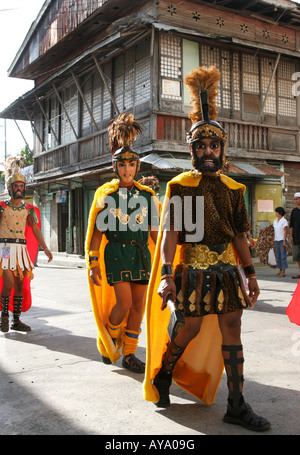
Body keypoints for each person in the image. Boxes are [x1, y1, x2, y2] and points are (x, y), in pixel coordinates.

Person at [143, 66, 271, 432]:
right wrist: (167, 275)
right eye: (201, 145)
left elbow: (239, 236)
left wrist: (250, 275)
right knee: (190, 330)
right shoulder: (182, 186)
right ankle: (164, 375)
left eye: (214, 145)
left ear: (223, 149)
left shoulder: (234, 189)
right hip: (193, 271)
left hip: (227, 271)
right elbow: (171, 235)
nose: (209, 151)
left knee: (233, 326)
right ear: (192, 150)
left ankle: (236, 403)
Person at [85, 113, 160, 373]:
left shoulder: (147, 195)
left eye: (131, 165)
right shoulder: (106, 195)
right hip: (116, 252)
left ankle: (128, 354)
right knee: (124, 303)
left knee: (139, 305)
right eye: (122, 165)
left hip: (141, 254)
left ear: (137, 167)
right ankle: (110, 339)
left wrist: (167, 259)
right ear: (115, 167)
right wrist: (93, 263)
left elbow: (154, 232)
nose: (127, 169)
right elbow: (96, 233)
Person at [0, 157, 53, 332]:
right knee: (7, 283)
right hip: (5, 249)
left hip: (21, 250)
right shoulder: (1, 207)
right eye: (16, 186)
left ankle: (16, 320)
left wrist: (45, 248)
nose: (19, 189)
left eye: (21, 186)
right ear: (9, 188)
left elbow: (36, 230)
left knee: (20, 284)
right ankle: (4, 317)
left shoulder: (28, 209)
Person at [273, 207, 289, 277]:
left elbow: (285, 231)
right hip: (276, 240)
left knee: (283, 256)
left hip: (282, 240)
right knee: (278, 256)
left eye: (277, 212)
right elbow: (275, 232)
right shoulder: (275, 221)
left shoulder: (284, 221)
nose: (276, 213)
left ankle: (283, 271)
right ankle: (280, 270)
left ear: (280, 213)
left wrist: (284, 241)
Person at [289, 192, 300, 279]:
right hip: (296, 238)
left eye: (297, 199)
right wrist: (291, 236)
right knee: (297, 257)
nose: (295, 201)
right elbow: (291, 225)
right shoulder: (294, 211)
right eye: (294, 199)